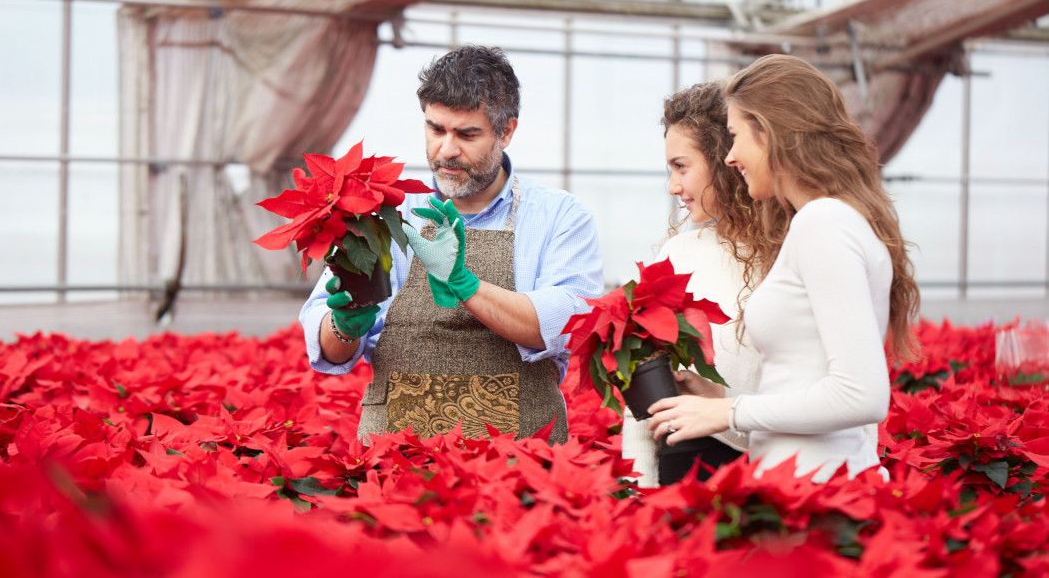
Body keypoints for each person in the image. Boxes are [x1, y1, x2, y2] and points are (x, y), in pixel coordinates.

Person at [300, 45, 604, 444]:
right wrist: (342, 326)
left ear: (507, 131)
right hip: (397, 456)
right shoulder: (386, 211)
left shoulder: (559, 216)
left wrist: (464, 284)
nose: (447, 150)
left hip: (518, 459)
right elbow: (331, 349)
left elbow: (569, 324)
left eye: (467, 134)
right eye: (436, 129)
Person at [648, 54, 921, 483]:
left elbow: (861, 396)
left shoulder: (823, 221)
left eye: (736, 136)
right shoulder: (822, 221)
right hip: (800, 485)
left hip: (819, 493)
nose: (731, 157)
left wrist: (729, 410)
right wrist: (722, 399)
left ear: (771, 133)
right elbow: (806, 384)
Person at [621, 82, 770, 487]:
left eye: (681, 166)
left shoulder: (789, 254)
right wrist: (639, 489)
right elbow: (640, 382)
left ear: (726, 159)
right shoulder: (677, 255)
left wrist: (727, 409)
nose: (672, 186)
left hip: (770, 469)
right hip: (684, 467)